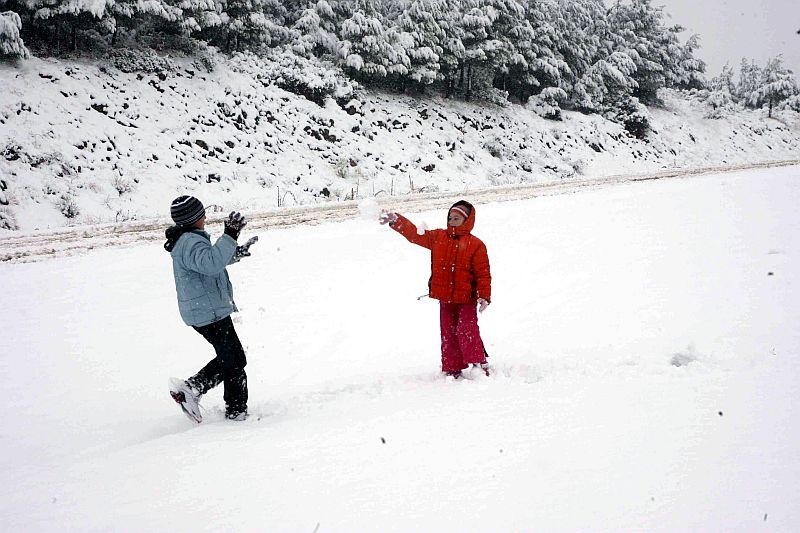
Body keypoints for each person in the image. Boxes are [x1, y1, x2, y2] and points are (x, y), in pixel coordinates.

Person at [164, 195, 258, 422]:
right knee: (234, 360)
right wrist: (230, 235)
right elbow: (211, 263)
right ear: (193, 218)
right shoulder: (190, 242)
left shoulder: (188, 240)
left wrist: (233, 253)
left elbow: (208, 261)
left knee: (231, 358)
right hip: (208, 312)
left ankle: (199, 390)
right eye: (202, 213)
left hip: (204, 309)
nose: (205, 216)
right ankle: (230, 408)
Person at [379, 200, 492, 379]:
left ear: (467, 220)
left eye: (457, 218)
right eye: (450, 217)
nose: (452, 220)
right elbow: (414, 235)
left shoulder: (476, 244)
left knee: (466, 329)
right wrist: (396, 220)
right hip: (445, 297)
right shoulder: (438, 237)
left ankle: (478, 362)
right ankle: (452, 367)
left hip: (466, 298)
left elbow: (483, 273)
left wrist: (484, 295)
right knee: (448, 332)